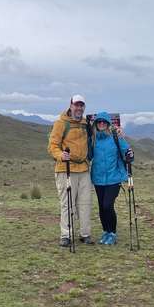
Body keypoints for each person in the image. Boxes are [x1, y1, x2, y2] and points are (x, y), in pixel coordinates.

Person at [48, 95, 95, 247]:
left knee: (85, 203)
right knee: (67, 203)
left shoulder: (86, 124)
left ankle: (84, 234)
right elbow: (52, 145)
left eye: (82, 105)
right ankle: (66, 235)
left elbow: (104, 126)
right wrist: (60, 155)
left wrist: (118, 130)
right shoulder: (61, 124)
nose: (79, 108)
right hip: (65, 168)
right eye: (77, 105)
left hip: (84, 168)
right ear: (71, 106)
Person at [90, 112, 134, 246]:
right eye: (99, 122)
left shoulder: (116, 136)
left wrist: (130, 155)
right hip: (98, 178)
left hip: (114, 178)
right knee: (101, 208)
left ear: (108, 123)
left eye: (104, 122)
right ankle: (106, 231)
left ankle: (112, 233)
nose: (101, 124)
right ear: (96, 124)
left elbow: (127, 153)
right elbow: (87, 155)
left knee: (107, 205)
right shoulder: (93, 139)